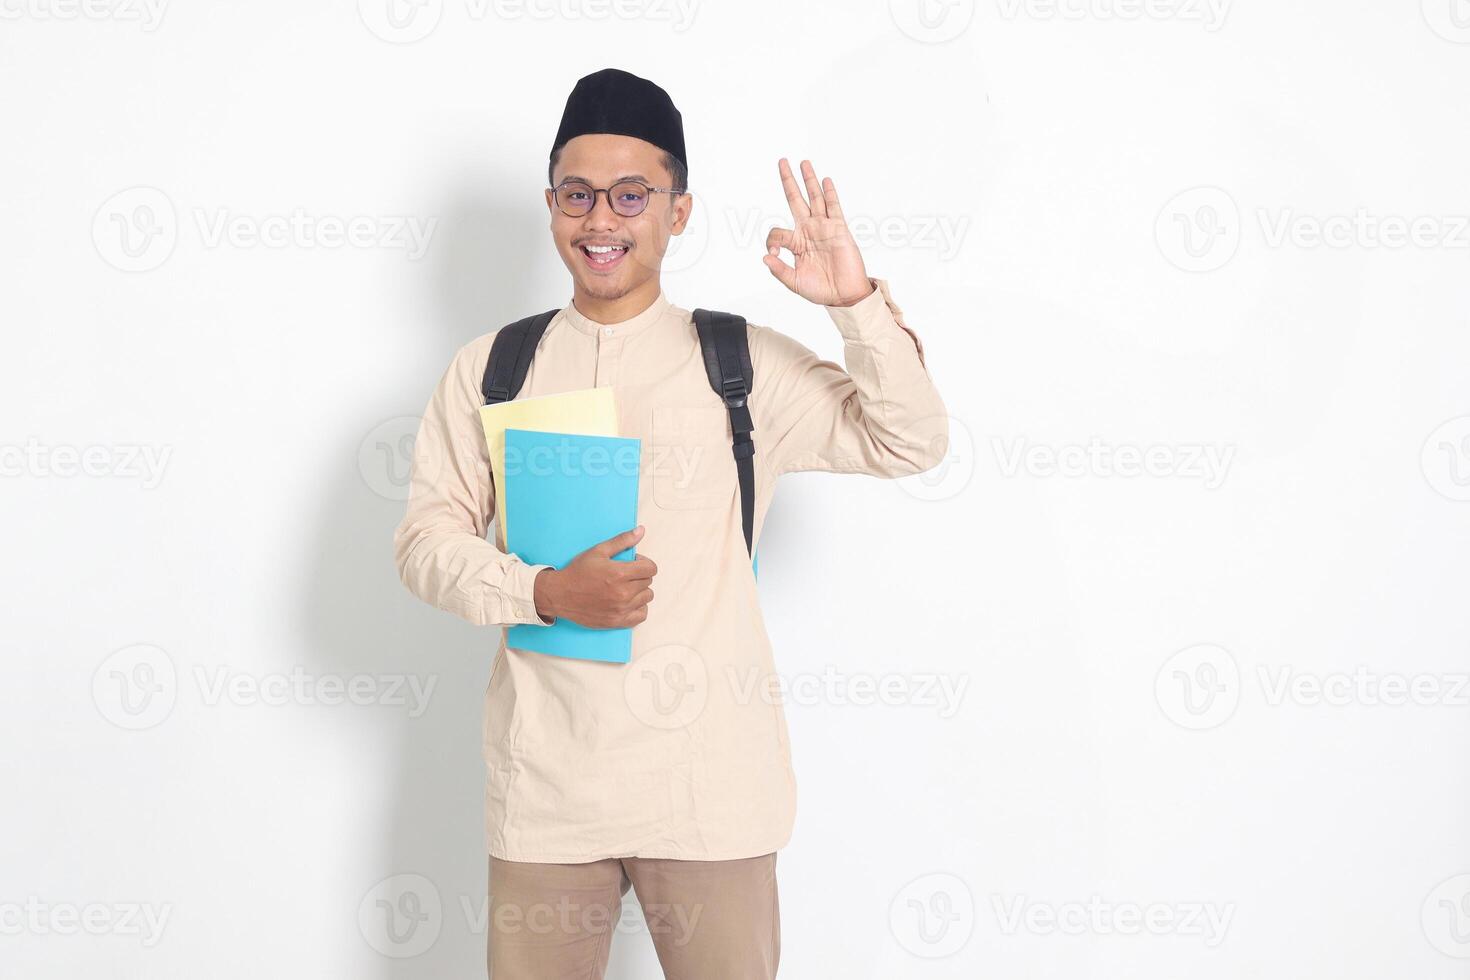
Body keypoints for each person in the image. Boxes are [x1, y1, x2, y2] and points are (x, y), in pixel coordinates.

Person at [393, 67, 948, 980]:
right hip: (549, 796)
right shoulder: (494, 368)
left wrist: (855, 307)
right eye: (578, 194)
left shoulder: (740, 365)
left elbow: (911, 441)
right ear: (550, 205)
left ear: (677, 211)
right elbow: (424, 543)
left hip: (711, 794)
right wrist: (540, 590)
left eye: (631, 194)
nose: (600, 220)